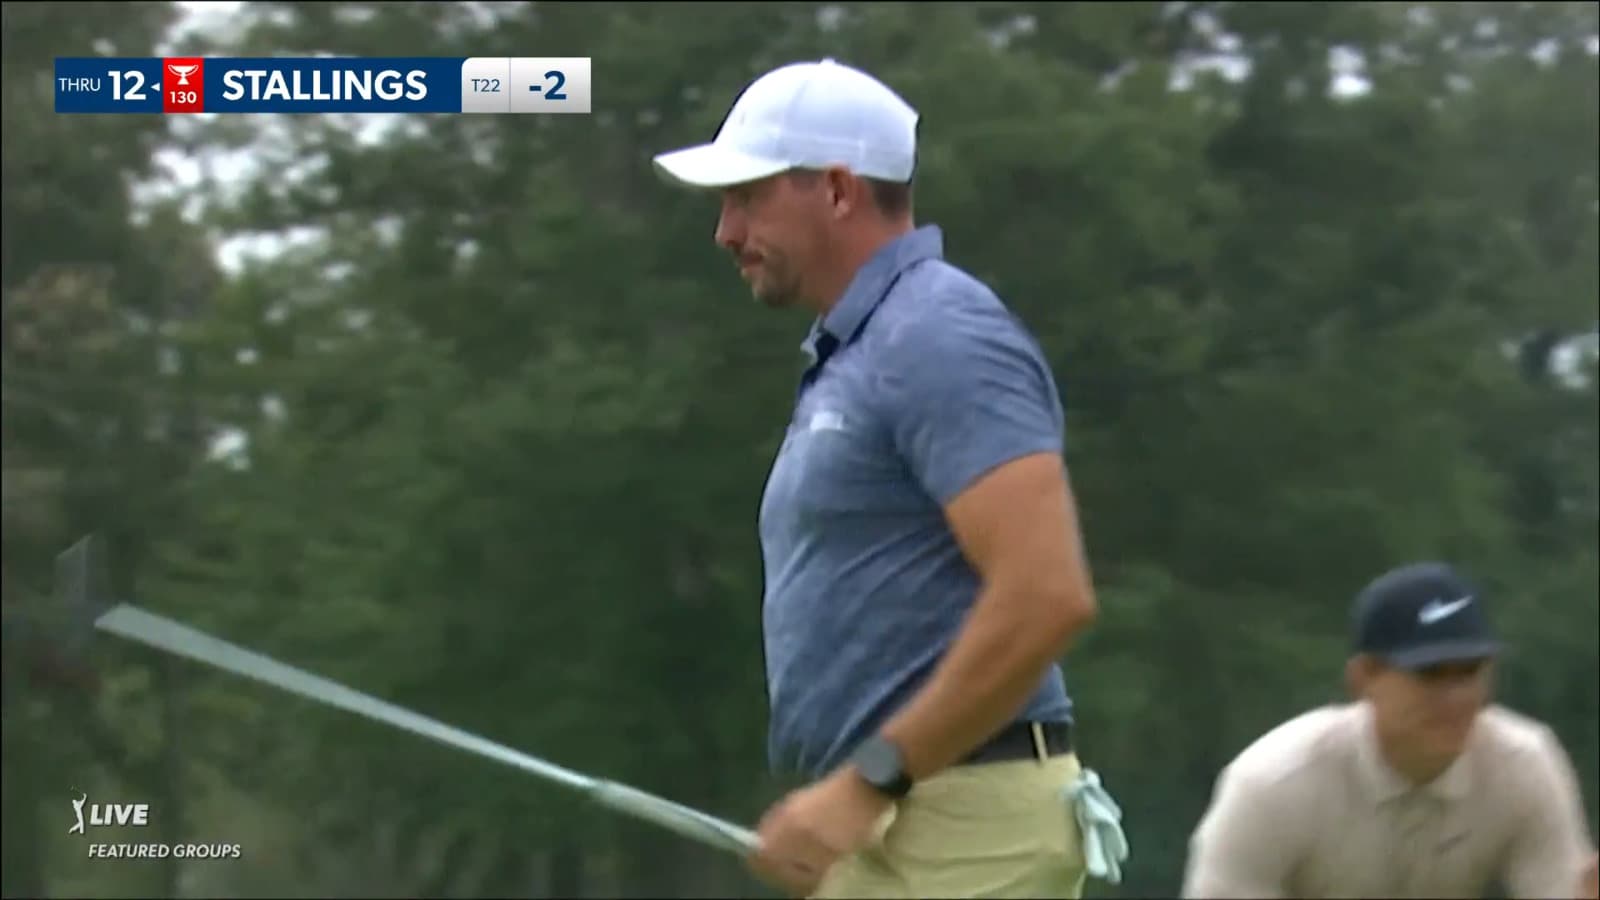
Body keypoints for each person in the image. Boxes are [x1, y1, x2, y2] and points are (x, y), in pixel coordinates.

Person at [650, 58, 1125, 899]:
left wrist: (865, 783)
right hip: (901, 820)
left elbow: (1048, 595)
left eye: (749, 196)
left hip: (962, 823)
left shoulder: (939, 333)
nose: (726, 231)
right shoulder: (864, 350)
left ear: (838, 191)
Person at [1183, 561, 1599, 899]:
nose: (1456, 697)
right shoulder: (1273, 784)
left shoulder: (1524, 764)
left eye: (1470, 671)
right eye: (1430, 673)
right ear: (1364, 678)